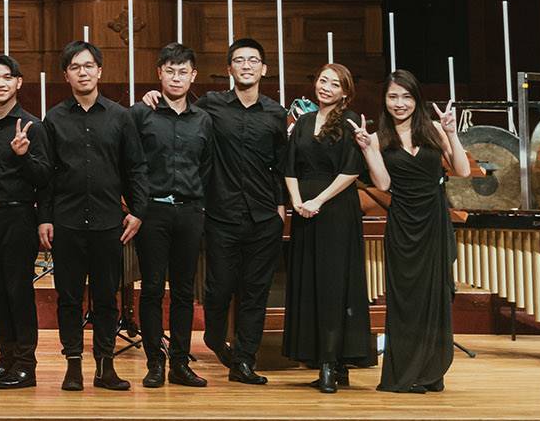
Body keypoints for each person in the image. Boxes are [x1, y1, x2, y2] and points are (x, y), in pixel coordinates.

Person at [146, 38, 288, 387]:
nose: (247, 66)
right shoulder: (210, 106)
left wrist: (282, 208)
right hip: (221, 213)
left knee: (256, 292)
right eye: (239, 60)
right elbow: (178, 111)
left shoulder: (276, 113)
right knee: (219, 288)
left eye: (253, 60)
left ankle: (243, 360)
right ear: (229, 69)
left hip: (264, 214)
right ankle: (213, 336)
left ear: (264, 69)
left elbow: (284, 165)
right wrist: (152, 97)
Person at [352, 70, 468, 394]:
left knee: (435, 297)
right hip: (403, 225)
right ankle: (403, 373)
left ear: (416, 99)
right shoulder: (378, 138)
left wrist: (452, 133)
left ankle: (430, 372)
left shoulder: (433, 130)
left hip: (434, 223)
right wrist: (366, 149)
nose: (399, 103)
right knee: (404, 301)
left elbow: (462, 170)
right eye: (393, 97)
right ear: (385, 101)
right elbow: (384, 185)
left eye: (406, 96)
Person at [40, 41, 147, 392]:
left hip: (107, 223)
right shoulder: (54, 118)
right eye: (75, 67)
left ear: (100, 71)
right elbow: (46, 174)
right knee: (68, 298)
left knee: (105, 298)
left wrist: (138, 211)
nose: (83, 72)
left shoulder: (120, 117)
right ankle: (73, 365)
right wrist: (45, 217)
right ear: (66, 75)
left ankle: (105, 366)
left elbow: (135, 168)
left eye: (88, 66)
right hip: (67, 222)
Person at [282, 63, 375, 393]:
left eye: (334, 84)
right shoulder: (303, 122)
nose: (325, 87)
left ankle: (331, 363)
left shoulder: (349, 124)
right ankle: (323, 359)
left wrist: (318, 200)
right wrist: (296, 201)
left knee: (335, 285)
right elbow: (289, 166)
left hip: (335, 209)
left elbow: (351, 171)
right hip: (305, 211)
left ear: (345, 93)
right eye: (322, 80)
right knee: (312, 284)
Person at [129, 43, 212, 389]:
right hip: (153, 211)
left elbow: (207, 167)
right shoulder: (141, 113)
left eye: (183, 72)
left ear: (193, 76)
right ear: (159, 73)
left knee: (182, 291)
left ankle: (180, 362)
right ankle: (154, 362)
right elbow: (130, 164)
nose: (176, 77)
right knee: (150, 288)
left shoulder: (203, 119)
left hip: (190, 211)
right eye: (170, 71)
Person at [0, 55, 49, 390]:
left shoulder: (33, 125)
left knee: (18, 291)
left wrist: (24, 156)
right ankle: (6, 361)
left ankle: (26, 366)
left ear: (18, 82)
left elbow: (45, 177)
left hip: (19, 216)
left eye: (7, 77)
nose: (0, 83)